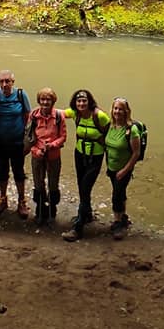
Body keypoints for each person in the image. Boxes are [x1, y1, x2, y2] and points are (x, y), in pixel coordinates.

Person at [62, 89, 110, 242]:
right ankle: (87, 214)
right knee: (81, 186)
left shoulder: (99, 116)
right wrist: (37, 111)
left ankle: (78, 228)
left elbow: (112, 131)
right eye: (79, 101)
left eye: (84, 101)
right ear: (75, 103)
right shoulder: (75, 114)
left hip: (95, 157)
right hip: (79, 154)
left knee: (85, 188)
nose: (81, 103)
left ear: (89, 102)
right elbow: (59, 113)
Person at [0, 70, 33, 219]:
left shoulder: (20, 95)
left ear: (13, 82)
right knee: (2, 172)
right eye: (1, 81)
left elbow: (28, 116)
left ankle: (22, 201)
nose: (4, 84)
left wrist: (27, 141)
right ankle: (3, 199)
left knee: (18, 171)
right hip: (0, 142)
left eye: (7, 81)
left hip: (17, 142)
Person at [26, 87, 68, 229]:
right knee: (38, 184)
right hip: (37, 155)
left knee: (53, 184)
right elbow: (28, 137)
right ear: (39, 101)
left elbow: (63, 136)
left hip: (53, 155)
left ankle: (52, 212)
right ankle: (40, 211)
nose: (45, 102)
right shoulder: (33, 115)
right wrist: (35, 150)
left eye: (48, 100)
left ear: (53, 101)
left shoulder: (59, 116)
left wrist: (53, 145)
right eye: (42, 99)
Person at [103, 97, 144, 240]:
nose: (117, 111)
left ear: (126, 111)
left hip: (124, 169)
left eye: (120, 109)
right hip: (112, 167)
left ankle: (118, 223)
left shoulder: (131, 130)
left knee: (116, 196)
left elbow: (136, 153)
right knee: (120, 193)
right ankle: (123, 217)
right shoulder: (110, 126)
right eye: (115, 108)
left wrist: (125, 170)